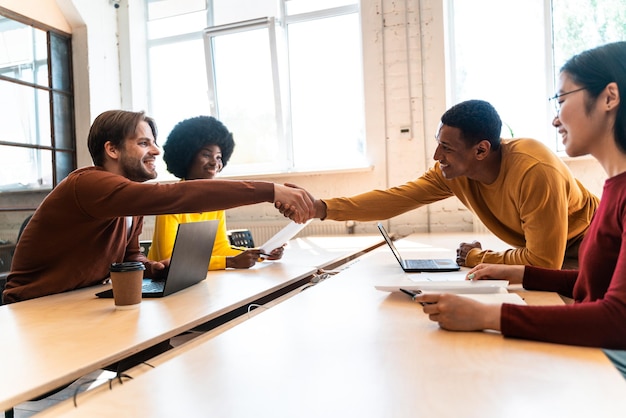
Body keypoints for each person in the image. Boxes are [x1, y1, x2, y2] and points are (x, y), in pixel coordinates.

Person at [415, 41, 626, 376]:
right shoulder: (614, 187)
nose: (556, 119)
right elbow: (593, 285)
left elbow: (616, 319)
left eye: (562, 99)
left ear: (609, 98)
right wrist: (521, 273)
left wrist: (488, 316)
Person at [2, 110, 314, 304]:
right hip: (33, 308)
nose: (155, 150)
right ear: (111, 149)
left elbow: (130, 256)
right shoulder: (87, 184)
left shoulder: (130, 199)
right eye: (143, 143)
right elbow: (170, 197)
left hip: (79, 301)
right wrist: (270, 190)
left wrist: (151, 266)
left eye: (153, 142)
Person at [277, 99, 599, 269]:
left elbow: (544, 263)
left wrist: (477, 258)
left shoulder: (534, 169)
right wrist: (320, 208)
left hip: (598, 250)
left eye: (446, 147)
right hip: (558, 261)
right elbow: (393, 199)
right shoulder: (456, 174)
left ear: (481, 150)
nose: (436, 155)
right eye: (438, 143)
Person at [148, 115, 284, 270]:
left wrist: (261, 254)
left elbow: (220, 249)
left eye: (219, 157)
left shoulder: (216, 201)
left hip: (198, 279)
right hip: (162, 284)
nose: (214, 163)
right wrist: (230, 262)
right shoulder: (170, 200)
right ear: (186, 156)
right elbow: (169, 258)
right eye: (206, 154)